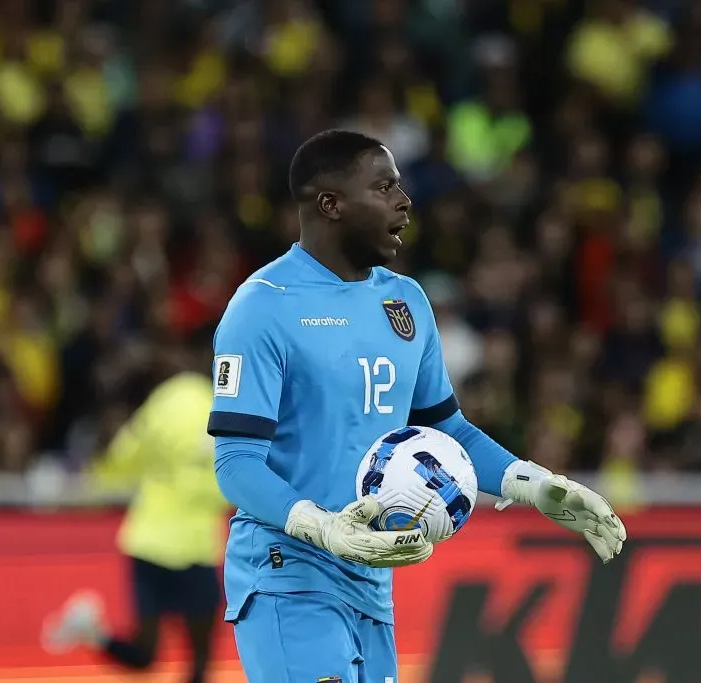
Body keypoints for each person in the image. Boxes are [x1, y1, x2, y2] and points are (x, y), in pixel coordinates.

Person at [209, 129, 627, 683]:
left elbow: (447, 430)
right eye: (384, 187)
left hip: (371, 580)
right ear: (330, 205)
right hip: (288, 571)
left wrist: (534, 484)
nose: (404, 202)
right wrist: (320, 526)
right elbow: (235, 462)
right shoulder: (262, 307)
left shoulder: (404, 303)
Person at [41, 333, 228, 683]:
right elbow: (231, 482)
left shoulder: (162, 402)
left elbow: (124, 455)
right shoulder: (223, 408)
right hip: (194, 546)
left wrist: (92, 482)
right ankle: (90, 630)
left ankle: (92, 631)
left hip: (148, 541)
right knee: (201, 660)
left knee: (144, 656)